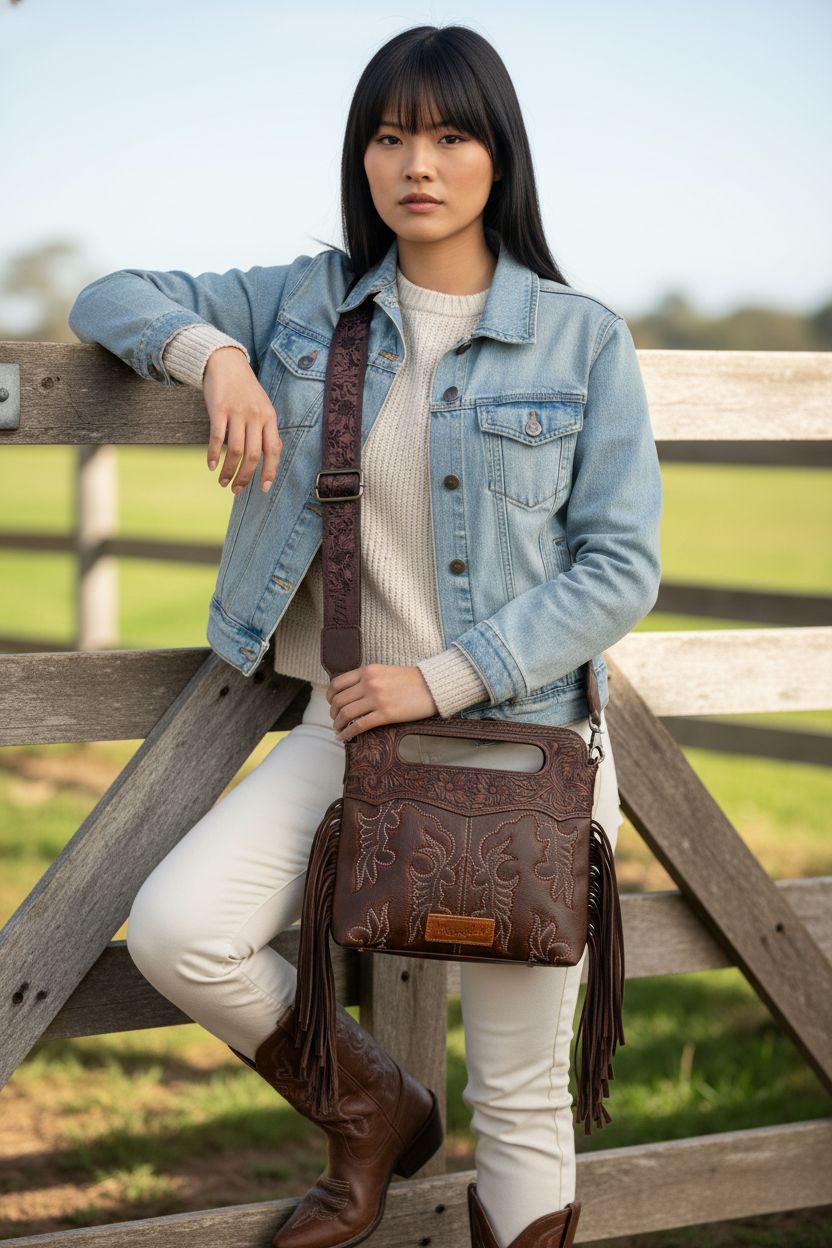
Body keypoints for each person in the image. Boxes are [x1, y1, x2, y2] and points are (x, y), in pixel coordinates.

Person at [67, 23, 662, 1248]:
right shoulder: (306, 302)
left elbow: (620, 569)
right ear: (362, 158)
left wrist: (442, 678)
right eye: (388, 138)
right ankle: (374, 1109)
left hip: (524, 753)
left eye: (447, 136)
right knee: (182, 931)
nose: (416, 165)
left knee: (519, 1094)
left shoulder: (583, 338)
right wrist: (213, 357)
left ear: (499, 156)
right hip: (351, 743)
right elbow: (105, 295)